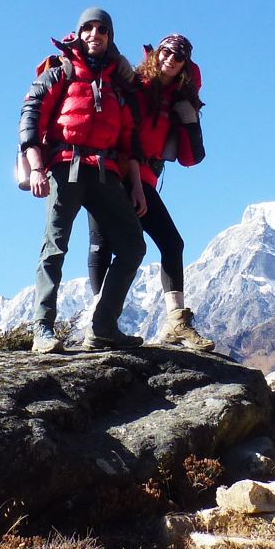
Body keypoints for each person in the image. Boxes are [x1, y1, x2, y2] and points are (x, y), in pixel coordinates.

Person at [19, 7, 147, 353]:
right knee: (55, 247)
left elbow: (129, 140)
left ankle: (103, 327)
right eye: (88, 29)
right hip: (64, 167)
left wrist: (135, 185)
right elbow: (30, 118)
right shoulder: (60, 74)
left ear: (110, 37)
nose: (95, 35)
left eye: (101, 30)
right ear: (79, 33)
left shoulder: (117, 86)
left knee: (134, 246)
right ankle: (42, 330)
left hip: (105, 172)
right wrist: (35, 168)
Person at [88, 33, 215, 351]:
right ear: (157, 53)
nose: (170, 59)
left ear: (185, 64)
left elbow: (191, 158)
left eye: (179, 56)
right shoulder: (134, 83)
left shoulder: (178, 100)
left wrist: (190, 122)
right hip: (109, 170)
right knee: (102, 243)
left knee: (172, 243)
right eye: (167, 52)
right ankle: (99, 323)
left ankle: (175, 321)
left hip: (143, 178)